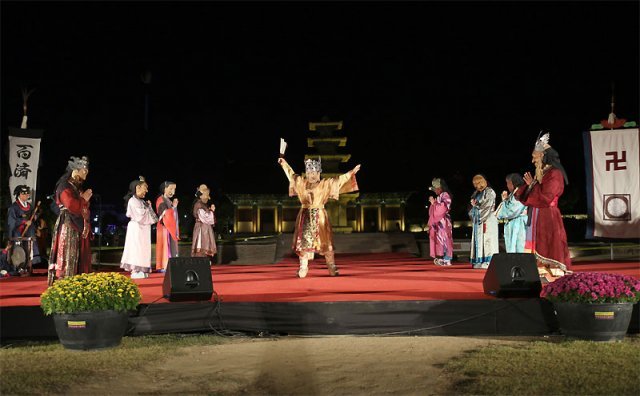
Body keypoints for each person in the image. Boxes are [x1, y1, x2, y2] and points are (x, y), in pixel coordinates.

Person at [278, 156, 360, 278]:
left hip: (320, 216)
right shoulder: (302, 183)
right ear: (307, 173)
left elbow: (339, 180)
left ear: (319, 173)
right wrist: (284, 163)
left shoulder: (325, 184)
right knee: (304, 243)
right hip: (305, 215)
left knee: (325, 242)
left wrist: (351, 173)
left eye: (315, 172)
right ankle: (303, 267)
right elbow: (291, 175)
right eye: (310, 172)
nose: (312, 175)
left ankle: (331, 266)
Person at [516, 132, 572, 282]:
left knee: (549, 241)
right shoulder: (541, 173)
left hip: (548, 215)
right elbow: (533, 193)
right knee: (536, 241)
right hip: (536, 213)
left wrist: (532, 185)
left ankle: (553, 273)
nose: (533, 160)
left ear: (543, 155)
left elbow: (546, 197)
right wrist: (525, 188)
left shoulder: (555, 173)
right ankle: (539, 270)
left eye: (535, 156)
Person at [48, 156, 92, 286]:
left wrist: (83, 201)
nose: (86, 172)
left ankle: (78, 283)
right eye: (84, 169)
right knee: (68, 253)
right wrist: (83, 199)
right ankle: (66, 284)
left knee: (79, 254)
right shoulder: (64, 186)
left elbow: (82, 207)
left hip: (77, 223)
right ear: (75, 170)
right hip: (68, 224)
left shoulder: (75, 187)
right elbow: (71, 205)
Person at [120, 176, 158, 279]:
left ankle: (142, 269)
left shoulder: (141, 201)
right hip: (137, 228)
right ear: (137, 188)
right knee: (136, 249)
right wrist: (148, 208)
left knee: (143, 249)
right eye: (144, 187)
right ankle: (136, 270)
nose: (146, 190)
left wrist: (148, 207)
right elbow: (140, 216)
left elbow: (149, 215)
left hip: (144, 229)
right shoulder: (133, 201)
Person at [7, 185, 42, 273]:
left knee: (29, 247)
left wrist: (35, 218)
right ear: (19, 195)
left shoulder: (30, 206)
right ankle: (17, 268)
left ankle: (28, 267)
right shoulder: (13, 208)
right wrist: (23, 221)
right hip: (18, 232)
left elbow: (32, 219)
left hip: (29, 232)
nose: (26, 195)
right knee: (19, 249)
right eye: (24, 194)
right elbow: (11, 222)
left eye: (27, 194)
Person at [468, 174, 499, 269]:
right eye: (475, 184)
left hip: (487, 219)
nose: (477, 185)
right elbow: (473, 206)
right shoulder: (476, 193)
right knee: (479, 240)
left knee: (488, 240)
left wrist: (477, 206)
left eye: (478, 183)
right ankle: (479, 260)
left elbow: (487, 206)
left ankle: (488, 260)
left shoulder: (490, 192)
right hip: (478, 220)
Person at [495, 173, 528, 253]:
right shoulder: (513, 194)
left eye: (508, 183)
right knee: (512, 248)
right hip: (512, 223)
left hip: (519, 224)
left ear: (513, 182)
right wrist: (505, 200)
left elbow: (512, 210)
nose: (507, 185)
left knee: (519, 247)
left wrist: (498, 213)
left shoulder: (520, 192)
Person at [427, 178, 454, 266]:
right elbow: (433, 211)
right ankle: (442, 257)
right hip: (439, 222)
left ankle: (447, 258)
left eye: (435, 189)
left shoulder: (445, 195)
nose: (434, 191)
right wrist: (433, 204)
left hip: (444, 222)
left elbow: (443, 207)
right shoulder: (439, 196)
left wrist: (434, 203)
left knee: (445, 239)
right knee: (439, 239)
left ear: (440, 187)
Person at [155, 181, 179, 273]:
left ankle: (170, 264)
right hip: (164, 227)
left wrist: (174, 207)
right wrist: (173, 207)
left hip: (170, 227)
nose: (172, 192)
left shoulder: (168, 200)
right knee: (165, 245)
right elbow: (164, 213)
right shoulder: (160, 200)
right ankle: (164, 265)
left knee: (170, 245)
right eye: (171, 189)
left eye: (174, 189)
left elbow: (172, 214)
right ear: (164, 189)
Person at [191, 184, 217, 261]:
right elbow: (204, 217)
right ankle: (200, 262)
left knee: (205, 245)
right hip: (201, 229)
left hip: (204, 228)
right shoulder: (199, 204)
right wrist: (212, 211)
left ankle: (204, 261)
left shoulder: (203, 204)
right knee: (201, 245)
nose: (207, 198)